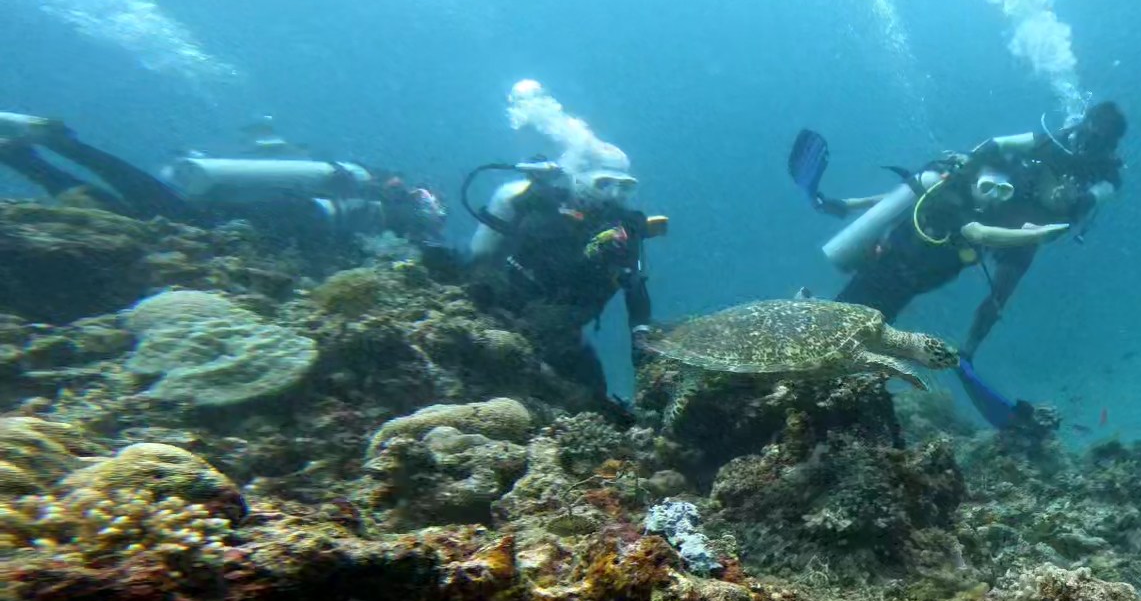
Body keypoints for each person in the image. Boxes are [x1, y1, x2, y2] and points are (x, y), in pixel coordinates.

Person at [799, 101, 1127, 364]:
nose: (1088, 143)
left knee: (1000, 292)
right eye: (1089, 133)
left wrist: (1065, 206)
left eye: (1098, 141)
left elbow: (1087, 202)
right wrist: (969, 166)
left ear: (1110, 145)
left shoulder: (1107, 175)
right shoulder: (1047, 142)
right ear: (1083, 124)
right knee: (934, 206)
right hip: (1001, 212)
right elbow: (990, 150)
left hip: (1028, 226)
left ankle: (968, 350)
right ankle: (848, 306)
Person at [0, 111, 447, 248]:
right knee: (170, 215)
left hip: (283, 208)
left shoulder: (374, 190)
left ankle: (32, 156)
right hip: (289, 216)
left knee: (148, 215)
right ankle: (53, 149)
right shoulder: (400, 210)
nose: (437, 216)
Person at [458, 158, 667, 407]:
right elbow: (557, 272)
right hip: (509, 309)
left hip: (566, 328)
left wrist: (640, 337)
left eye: (625, 187)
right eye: (604, 184)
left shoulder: (624, 230)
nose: (614, 195)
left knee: (592, 394)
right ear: (579, 179)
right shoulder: (543, 212)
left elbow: (635, 284)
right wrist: (592, 252)